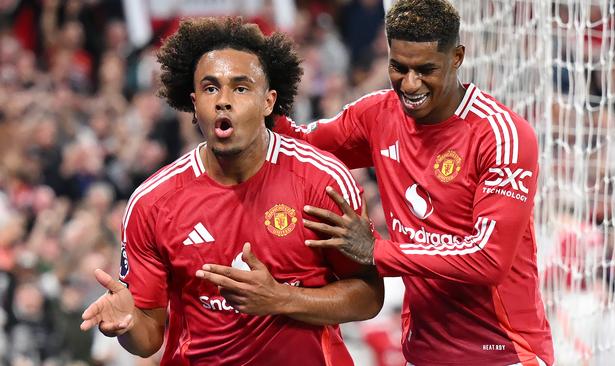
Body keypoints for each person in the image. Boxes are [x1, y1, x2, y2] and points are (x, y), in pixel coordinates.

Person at [79, 17, 384, 366]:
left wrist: (279, 298)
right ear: (194, 103)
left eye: (240, 88)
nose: (223, 100)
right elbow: (148, 339)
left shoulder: (322, 181)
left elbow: (368, 296)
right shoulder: (152, 203)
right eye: (211, 88)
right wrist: (128, 324)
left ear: (268, 102)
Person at [270, 0, 556, 365]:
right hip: (422, 353)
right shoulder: (377, 115)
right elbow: (298, 147)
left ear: (457, 58)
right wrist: (261, 94)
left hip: (505, 354)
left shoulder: (501, 135)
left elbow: (489, 259)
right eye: (398, 67)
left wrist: (378, 251)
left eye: (425, 70)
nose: (410, 83)